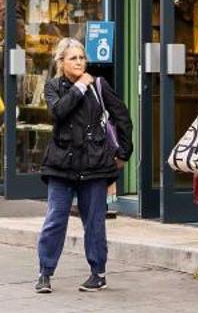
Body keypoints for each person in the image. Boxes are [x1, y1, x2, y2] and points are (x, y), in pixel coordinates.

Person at [33, 38, 132, 293]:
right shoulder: (53, 86)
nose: (79, 62)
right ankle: (45, 272)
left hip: (94, 162)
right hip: (61, 163)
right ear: (61, 62)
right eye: (73, 58)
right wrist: (78, 87)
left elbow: (122, 116)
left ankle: (98, 272)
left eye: (81, 58)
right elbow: (58, 113)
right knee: (55, 218)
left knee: (95, 221)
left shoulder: (99, 85)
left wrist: (124, 152)